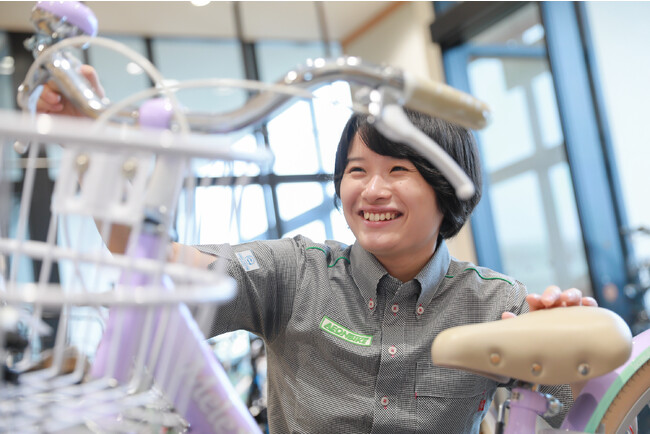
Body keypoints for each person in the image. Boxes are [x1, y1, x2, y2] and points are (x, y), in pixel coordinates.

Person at [37, 67, 597, 433]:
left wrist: (570, 341)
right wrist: (90, 147)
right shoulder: (295, 273)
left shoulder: (493, 302)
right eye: (356, 170)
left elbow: (574, 402)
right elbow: (153, 259)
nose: (371, 190)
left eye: (398, 170)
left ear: (446, 188)